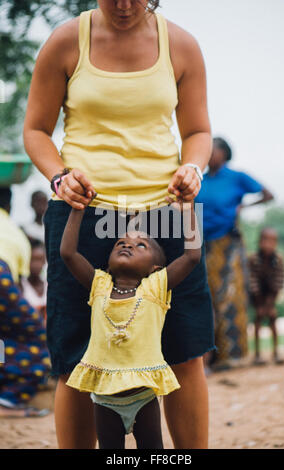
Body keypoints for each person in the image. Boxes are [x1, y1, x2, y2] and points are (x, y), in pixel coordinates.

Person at [24, 0, 215, 449]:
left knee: (184, 351)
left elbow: (197, 132)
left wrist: (194, 169)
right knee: (75, 359)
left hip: (168, 210)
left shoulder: (181, 45)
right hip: (82, 213)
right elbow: (36, 130)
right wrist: (59, 176)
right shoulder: (66, 42)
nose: (125, 6)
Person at [60, 201, 201, 449]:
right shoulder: (100, 284)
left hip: (142, 395)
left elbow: (192, 256)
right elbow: (68, 254)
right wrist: (77, 209)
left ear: (155, 268)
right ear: (108, 262)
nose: (128, 245)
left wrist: (188, 209)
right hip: (104, 398)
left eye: (140, 245)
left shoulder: (155, 287)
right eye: (121, 243)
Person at [196, 137, 274, 371]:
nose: (209, 154)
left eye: (213, 150)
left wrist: (244, 207)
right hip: (202, 244)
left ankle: (232, 355)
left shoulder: (236, 177)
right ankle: (210, 356)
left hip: (228, 243)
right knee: (206, 297)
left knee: (229, 295)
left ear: (224, 154)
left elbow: (268, 194)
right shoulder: (201, 179)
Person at [0, 188, 50, 417]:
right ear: (9, 206)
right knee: (35, 335)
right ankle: (9, 399)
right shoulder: (15, 233)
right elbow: (16, 289)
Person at [248, 227, 284, 365]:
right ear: (260, 241)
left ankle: (275, 352)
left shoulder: (279, 260)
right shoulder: (254, 259)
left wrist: (270, 304)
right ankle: (257, 354)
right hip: (257, 296)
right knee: (258, 318)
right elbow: (252, 282)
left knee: (272, 317)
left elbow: (279, 282)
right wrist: (259, 304)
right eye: (265, 240)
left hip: (270, 295)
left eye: (272, 241)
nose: (268, 244)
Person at [21, 239, 47, 323]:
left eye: (40, 259)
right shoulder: (20, 285)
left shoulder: (49, 285)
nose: (37, 264)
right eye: (33, 260)